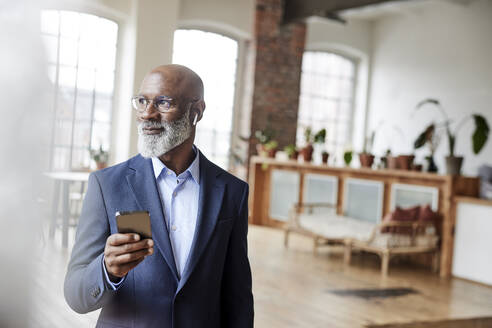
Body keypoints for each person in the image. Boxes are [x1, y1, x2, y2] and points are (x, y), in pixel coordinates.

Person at [64, 64, 254, 327]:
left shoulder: (233, 192)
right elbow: (75, 294)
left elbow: (238, 296)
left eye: (163, 103)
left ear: (196, 112)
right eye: (142, 101)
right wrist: (107, 270)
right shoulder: (106, 185)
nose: (147, 114)